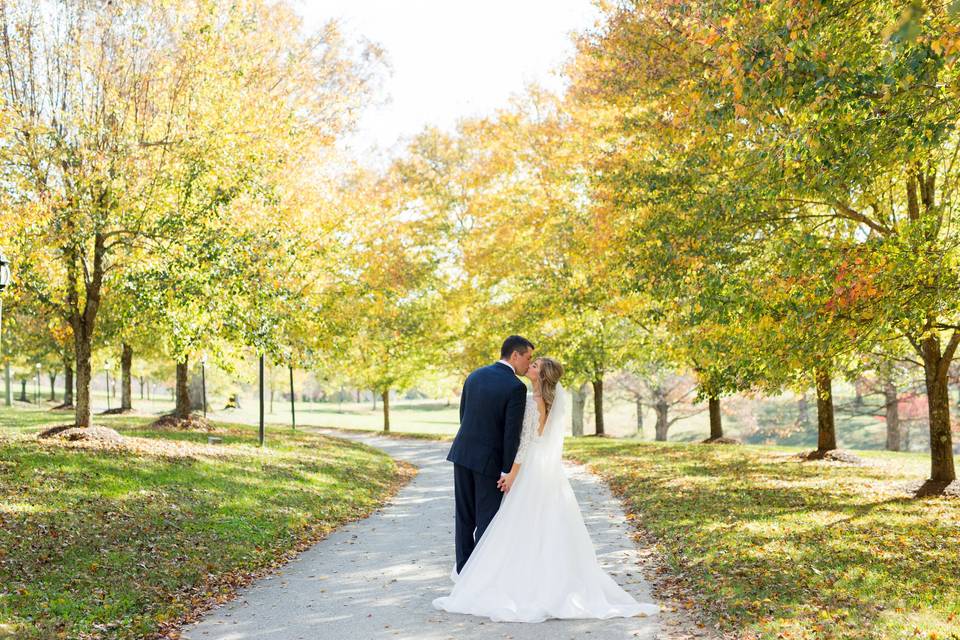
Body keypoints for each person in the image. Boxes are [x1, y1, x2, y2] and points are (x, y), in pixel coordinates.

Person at [434, 355, 660, 623]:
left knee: (519, 525)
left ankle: (515, 582)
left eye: (535, 365)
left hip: (528, 468)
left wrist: (511, 474)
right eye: (531, 361)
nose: (530, 365)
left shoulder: (536, 401)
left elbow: (526, 442)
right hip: (538, 469)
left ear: (541, 375)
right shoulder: (538, 398)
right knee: (532, 526)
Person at [444, 335, 532, 573]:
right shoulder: (516, 387)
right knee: (487, 520)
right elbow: (510, 435)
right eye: (528, 357)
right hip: (489, 463)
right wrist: (507, 470)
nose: (529, 363)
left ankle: (464, 571)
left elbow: (464, 415)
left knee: (464, 516)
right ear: (515, 355)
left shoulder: (474, 375)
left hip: (462, 454)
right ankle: (480, 575)